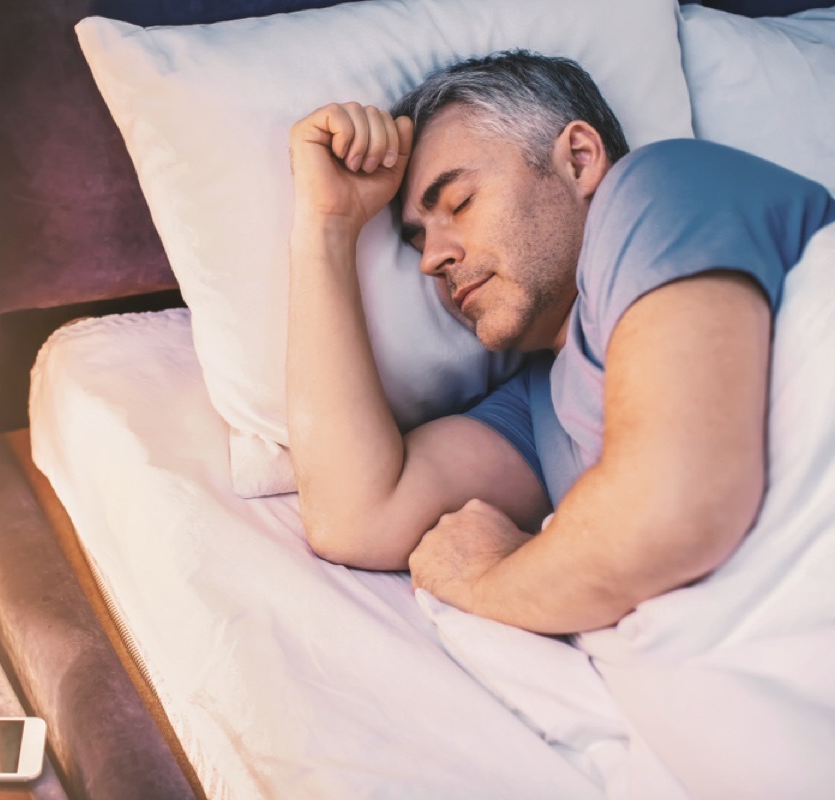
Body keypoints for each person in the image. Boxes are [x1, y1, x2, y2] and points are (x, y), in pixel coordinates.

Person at [285, 50, 835, 635]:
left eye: (460, 203)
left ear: (579, 160)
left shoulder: (660, 186)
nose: (432, 259)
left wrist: (486, 578)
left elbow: (676, 507)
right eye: (418, 240)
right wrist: (328, 224)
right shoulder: (540, 404)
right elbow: (356, 517)